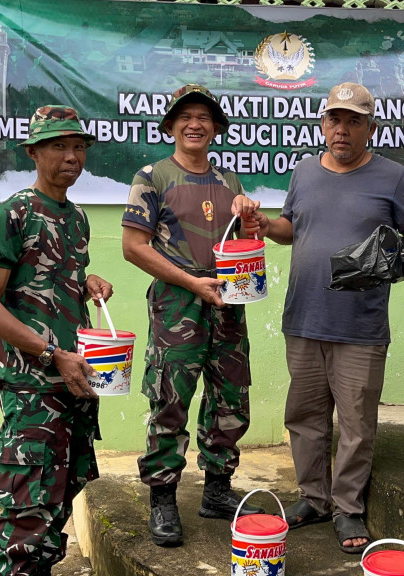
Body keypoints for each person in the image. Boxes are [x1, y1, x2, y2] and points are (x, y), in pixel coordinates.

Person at [245, 82, 404, 554]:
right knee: (305, 417)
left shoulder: (393, 177)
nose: (341, 130)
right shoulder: (304, 172)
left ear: (370, 127)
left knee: (355, 422)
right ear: (323, 123)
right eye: (334, 119)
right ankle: (314, 499)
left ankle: (348, 509)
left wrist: (393, 251)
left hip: (361, 324)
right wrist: (267, 226)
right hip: (303, 317)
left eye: (353, 121)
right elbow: (291, 228)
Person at [0, 105, 115, 576]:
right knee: (27, 517)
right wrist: (53, 354)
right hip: (33, 389)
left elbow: (49, 278)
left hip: (72, 384)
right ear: (33, 152)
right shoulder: (12, 213)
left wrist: (87, 280)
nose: (71, 156)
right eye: (58, 146)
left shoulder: (75, 218)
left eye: (78, 147)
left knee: (57, 508)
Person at [121, 83, 263, 548]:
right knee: (169, 400)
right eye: (185, 117)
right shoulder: (152, 177)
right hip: (177, 302)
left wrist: (249, 215)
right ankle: (163, 500)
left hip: (228, 301)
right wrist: (190, 282)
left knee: (230, 397)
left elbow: (243, 241)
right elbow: (133, 247)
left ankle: (217, 489)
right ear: (170, 127)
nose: (195, 123)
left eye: (204, 117)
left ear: (216, 128)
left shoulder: (229, 181)